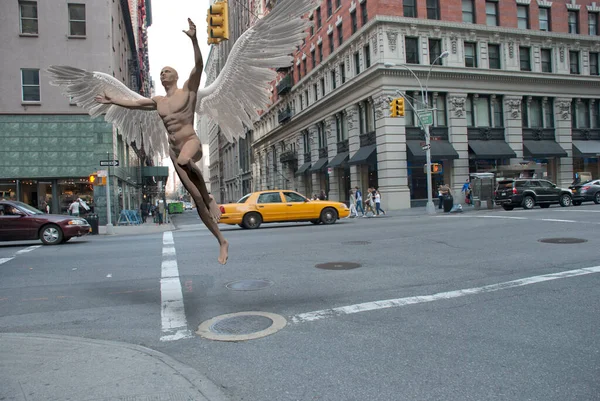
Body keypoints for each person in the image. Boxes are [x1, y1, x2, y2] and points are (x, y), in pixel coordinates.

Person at [95, 19, 228, 264]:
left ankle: (209, 196)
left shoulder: (188, 90)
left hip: (190, 142)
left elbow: (198, 66)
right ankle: (221, 240)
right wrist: (112, 100)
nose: (162, 74)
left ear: (176, 76)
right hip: (173, 148)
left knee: (187, 161)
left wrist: (194, 40)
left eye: (166, 71)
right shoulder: (158, 101)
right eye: (161, 72)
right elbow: (135, 104)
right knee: (195, 199)